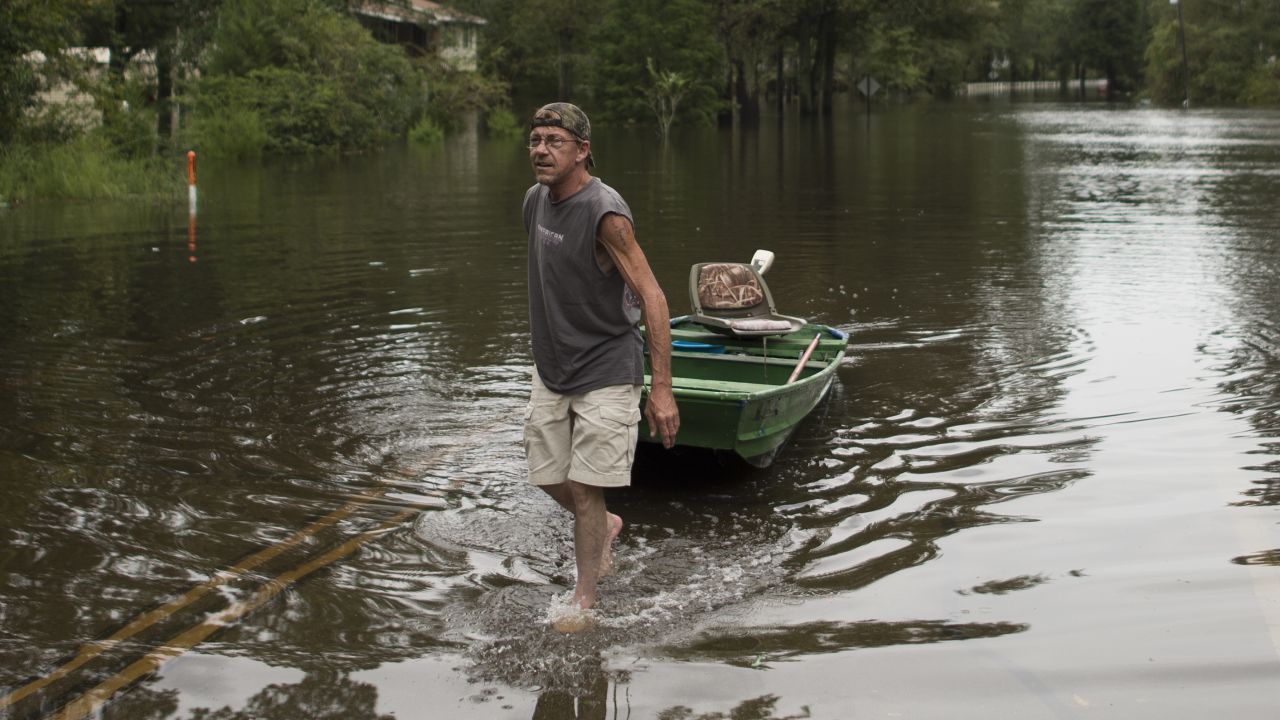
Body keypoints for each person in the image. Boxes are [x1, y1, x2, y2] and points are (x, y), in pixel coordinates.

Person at [521, 102, 679, 622]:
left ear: (582, 150)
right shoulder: (534, 202)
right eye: (536, 139)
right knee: (547, 475)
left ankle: (583, 598)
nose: (541, 149)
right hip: (553, 366)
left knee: (587, 489)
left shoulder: (605, 212)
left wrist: (661, 389)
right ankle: (606, 525)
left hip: (608, 365)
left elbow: (652, 296)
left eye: (555, 141)